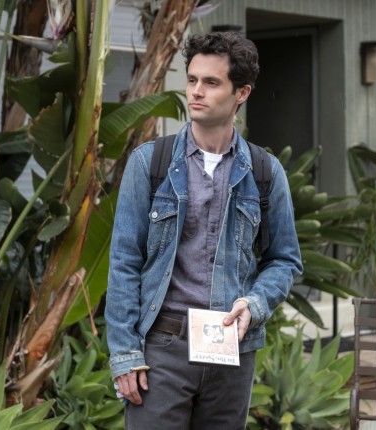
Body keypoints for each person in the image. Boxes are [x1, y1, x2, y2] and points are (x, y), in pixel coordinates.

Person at [105, 31, 303, 429]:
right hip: (162, 349)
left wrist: (255, 304)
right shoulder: (150, 163)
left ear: (241, 93)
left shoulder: (264, 173)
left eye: (211, 82)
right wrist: (125, 354)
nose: (196, 91)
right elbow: (124, 262)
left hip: (231, 350)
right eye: (192, 79)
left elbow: (285, 260)